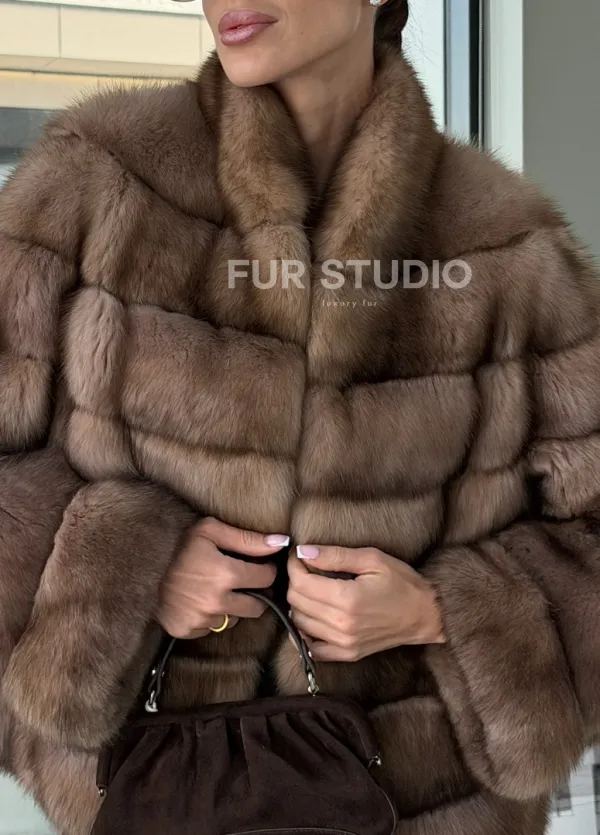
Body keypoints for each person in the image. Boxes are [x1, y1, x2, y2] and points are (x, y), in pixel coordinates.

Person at [0, 0, 598, 832]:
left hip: (420, 806)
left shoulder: (510, 251)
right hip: (152, 792)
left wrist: (441, 612)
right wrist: (125, 570)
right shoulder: (95, 182)